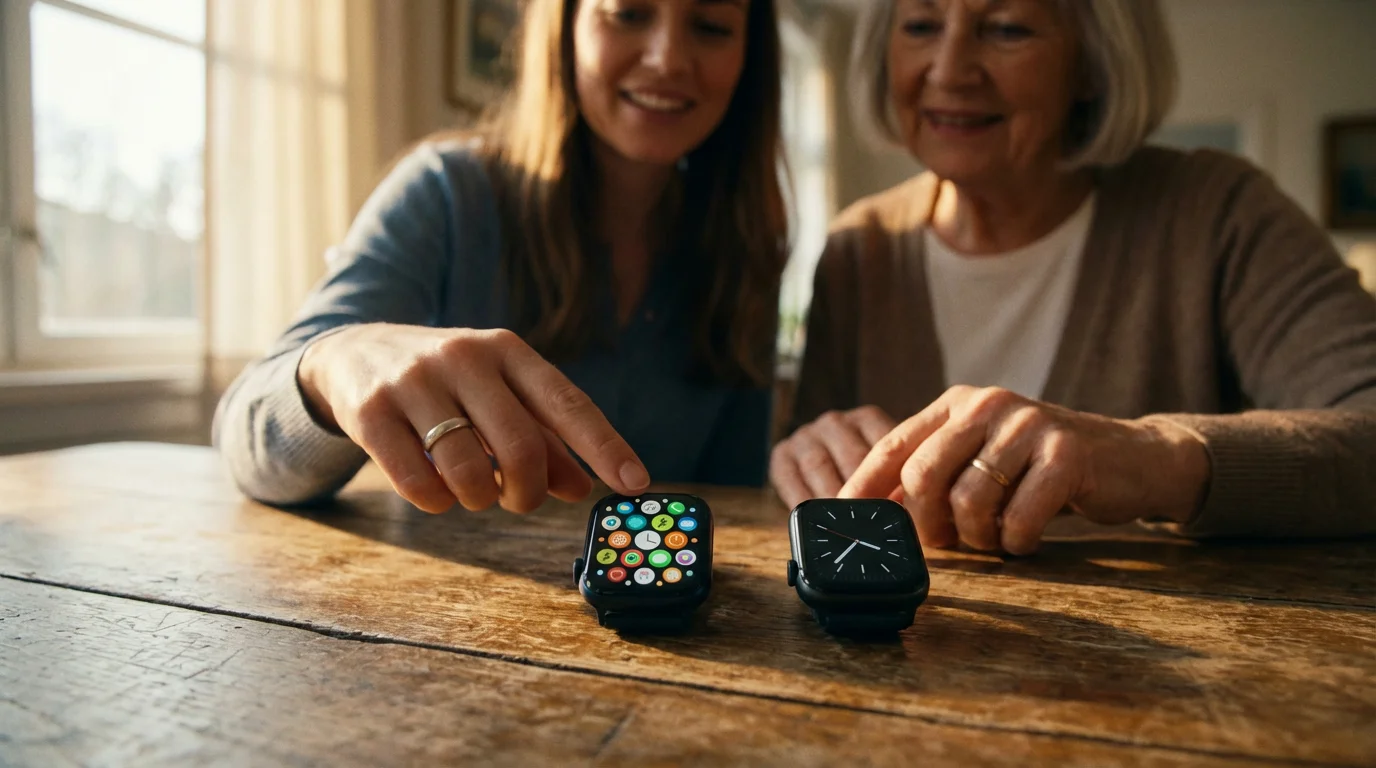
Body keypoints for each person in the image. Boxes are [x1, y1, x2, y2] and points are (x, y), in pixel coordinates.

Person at [771, 0, 1376, 554]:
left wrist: (1146, 457)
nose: (949, 71)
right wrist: (809, 451)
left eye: (1006, 29)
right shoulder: (860, 246)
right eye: (921, 26)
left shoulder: (1218, 212)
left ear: (1091, 63)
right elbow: (828, 496)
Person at [215, 0, 786, 515]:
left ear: (749, 60)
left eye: (712, 27)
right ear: (563, 28)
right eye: (628, 14)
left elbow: (733, 508)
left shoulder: (744, 248)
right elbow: (250, 447)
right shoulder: (445, 195)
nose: (668, 59)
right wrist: (334, 363)